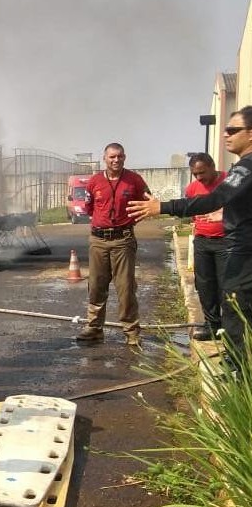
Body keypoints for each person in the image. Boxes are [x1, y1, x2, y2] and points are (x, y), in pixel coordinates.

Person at [127, 106, 252, 368]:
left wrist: (163, 207)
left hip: (243, 249)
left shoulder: (246, 167)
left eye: (233, 130)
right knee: (220, 294)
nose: (226, 135)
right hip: (234, 244)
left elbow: (216, 198)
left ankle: (239, 370)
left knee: (235, 304)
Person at [75, 143, 150, 347]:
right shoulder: (95, 181)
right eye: (112, 157)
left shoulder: (134, 180)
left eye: (120, 156)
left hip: (123, 240)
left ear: (124, 157)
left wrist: (130, 222)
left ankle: (131, 331)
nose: (116, 160)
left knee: (125, 287)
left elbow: (147, 205)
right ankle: (94, 328)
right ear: (104, 158)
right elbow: (90, 207)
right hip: (98, 240)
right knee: (96, 285)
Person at [185, 153, 227, 341]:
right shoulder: (192, 189)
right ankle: (212, 325)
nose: (199, 177)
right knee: (204, 285)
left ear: (213, 166)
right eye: (195, 174)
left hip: (226, 242)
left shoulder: (230, 181)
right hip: (202, 241)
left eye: (202, 172)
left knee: (226, 286)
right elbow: (192, 214)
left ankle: (230, 327)